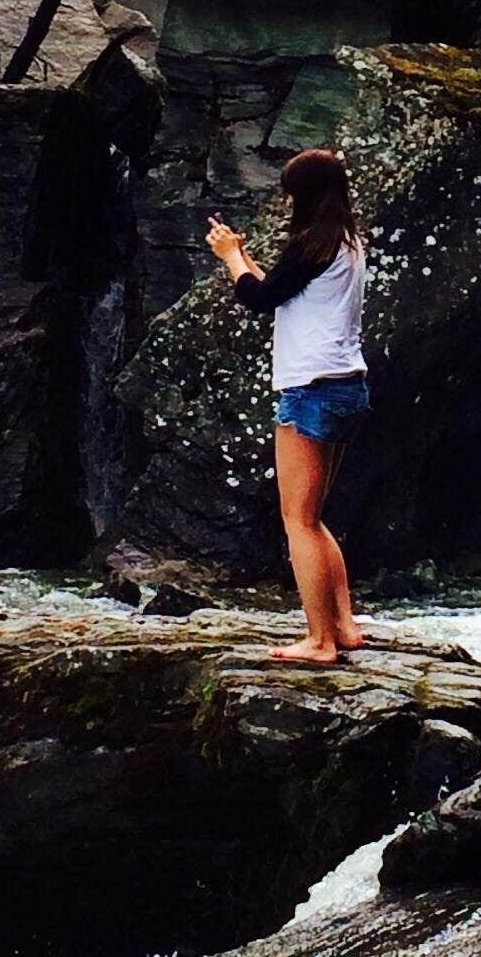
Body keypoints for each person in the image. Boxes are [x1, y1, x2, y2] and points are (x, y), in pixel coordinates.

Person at [205, 147, 369, 664]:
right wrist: (242, 255)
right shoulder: (344, 243)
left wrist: (231, 257)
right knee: (314, 517)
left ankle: (319, 640)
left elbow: (255, 298)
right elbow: (275, 291)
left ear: (304, 196)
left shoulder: (310, 246)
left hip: (310, 389)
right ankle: (343, 625)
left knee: (297, 520)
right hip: (346, 384)